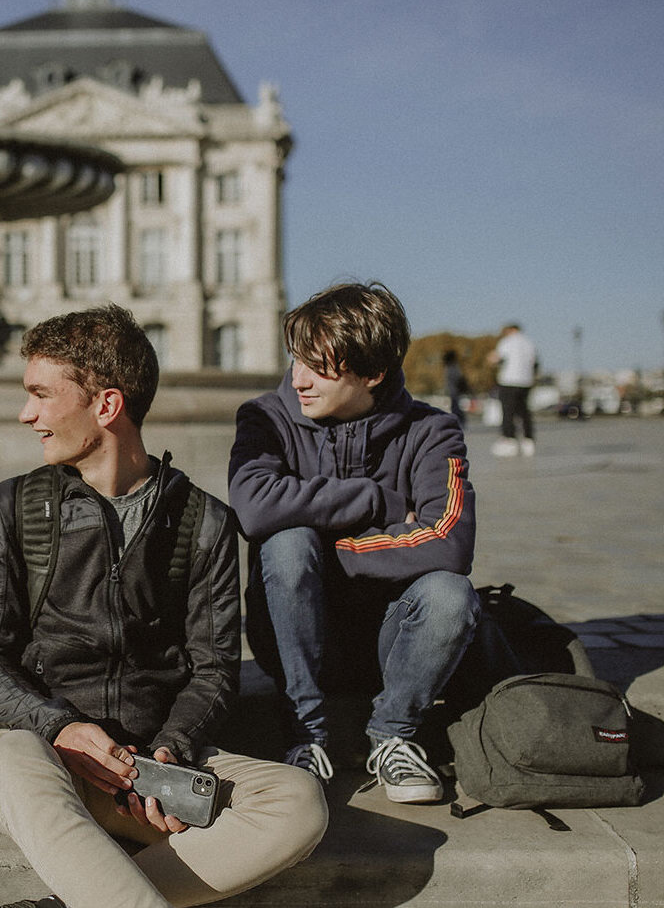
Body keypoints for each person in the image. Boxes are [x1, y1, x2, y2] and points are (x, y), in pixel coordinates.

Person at [0, 305, 327, 908]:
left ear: (106, 406)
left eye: (42, 396)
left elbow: (213, 669)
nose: (28, 414)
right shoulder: (14, 506)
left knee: (299, 802)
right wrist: (60, 729)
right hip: (46, 762)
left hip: (147, 771)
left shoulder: (205, 521)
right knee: (7, 762)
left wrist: (170, 751)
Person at [228, 281, 479, 804]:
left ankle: (393, 737)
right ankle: (306, 736)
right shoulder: (265, 418)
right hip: (293, 640)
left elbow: (450, 543)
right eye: (296, 359)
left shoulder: (433, 431)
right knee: (288, 545)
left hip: (394, 645)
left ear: (372, 373)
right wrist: (376, 504)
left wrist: (331, 551)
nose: (298, 379)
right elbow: (254, 508)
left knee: (450, 592)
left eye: (319, 367)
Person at [486, 323, 538, 457]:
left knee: (508, 411)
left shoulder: (507, 342)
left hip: (509, 380)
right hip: (525, 381)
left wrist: (490, 359)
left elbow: (497, 358)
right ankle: (528, 440)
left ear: (511, 330)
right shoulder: (529, 343)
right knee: (524, 411)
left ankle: (509, 440)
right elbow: (534, 363)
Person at [442, 349, 469, 428]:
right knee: (456, 407)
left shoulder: (451, 367)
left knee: (455, 407)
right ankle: (461, 421)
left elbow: (455, 379)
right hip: (454, 390)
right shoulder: (454, 366)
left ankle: (460, 421)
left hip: (454, 391)